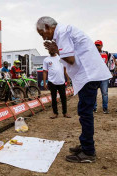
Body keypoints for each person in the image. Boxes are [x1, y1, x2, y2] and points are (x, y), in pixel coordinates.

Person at [37, 16, 111, 163]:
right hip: (90, 74)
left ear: (48, 26)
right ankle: (85, 144)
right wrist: (57, 49)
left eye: (42, 33)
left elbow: (70, 59)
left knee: (85, 113)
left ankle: (88, 152)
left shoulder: (61, 32)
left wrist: (56, 50)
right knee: (84, 111)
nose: (44, 37)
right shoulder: (65, 31)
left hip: (88, 75)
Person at [43, 49, 71, 119]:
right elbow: (44, 72)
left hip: (61, 81)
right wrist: (44, 82)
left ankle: (65, 112)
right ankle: (55, 113)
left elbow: (65, 69)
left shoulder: (61, 58)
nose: (51, 50)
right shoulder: (46, 59)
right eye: (49, 49)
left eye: (52, 48)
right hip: (52, 82)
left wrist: (68, 79)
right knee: (54, 98)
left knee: (63, 98)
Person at [93, 40, 116, 113]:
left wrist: (110, 72)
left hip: (104, 77)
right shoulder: (91, 54)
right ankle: (94, 108)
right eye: (96, 45)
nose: (97, 46)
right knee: (94, 93)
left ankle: (105, 108)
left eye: (98, 45)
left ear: (102, 45)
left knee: (105, 93)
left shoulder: (107, 53)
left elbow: (112, 63)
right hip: (94, 77)